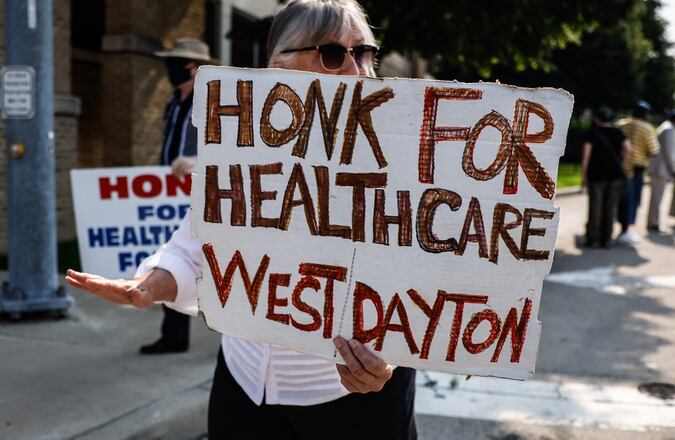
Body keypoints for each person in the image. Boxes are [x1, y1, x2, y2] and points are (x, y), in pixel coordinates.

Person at [66, 1, 417, 439]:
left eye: (364, 53)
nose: (357, 71)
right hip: (244, 380)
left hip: (352, 394)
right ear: (278, 67)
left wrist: (390, 357)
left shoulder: (405, 156)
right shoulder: (238, 146)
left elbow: (429, 281)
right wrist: (148, 286)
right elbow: (197, 243)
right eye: (333, 54)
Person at [139, 37, 214, 355]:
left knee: (214, 265)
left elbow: (224, 150)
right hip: (170, 193)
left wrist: (195, 162)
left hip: (203, 192)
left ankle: (232, 334)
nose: (171, 70)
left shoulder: (211, 102)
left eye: (177, 64)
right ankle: (173, 336)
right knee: (173, 257)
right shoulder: (173, 102)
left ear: (194, 68)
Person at [581, 107, 631, 248]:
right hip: (615, 174)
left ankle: (593, 238)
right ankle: (607, 238)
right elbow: (628, 148)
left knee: (595, 207)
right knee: (610, 208)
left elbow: (586, 156)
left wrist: (583, 177)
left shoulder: (592, 133)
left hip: (596, 175)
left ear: (597, 119)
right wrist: (622, 161)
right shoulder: (618, 132)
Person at [615, 100, 659, 245]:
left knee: (618, 199)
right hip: (636, 169)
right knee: (632, 200)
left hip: (619, 166)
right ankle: (625, 231)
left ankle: (613, 228)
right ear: (645, 114)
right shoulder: (646, 128)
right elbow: (654, 150)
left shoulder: (620, 124)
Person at [647, 109, 675, 232]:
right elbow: (669, 152)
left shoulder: (668, 128)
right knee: (657, 198)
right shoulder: (668, 129)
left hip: (661, 169)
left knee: (657, 198)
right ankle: (654, 223)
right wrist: (673, 169)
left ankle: (653, 222)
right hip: (661, 169)